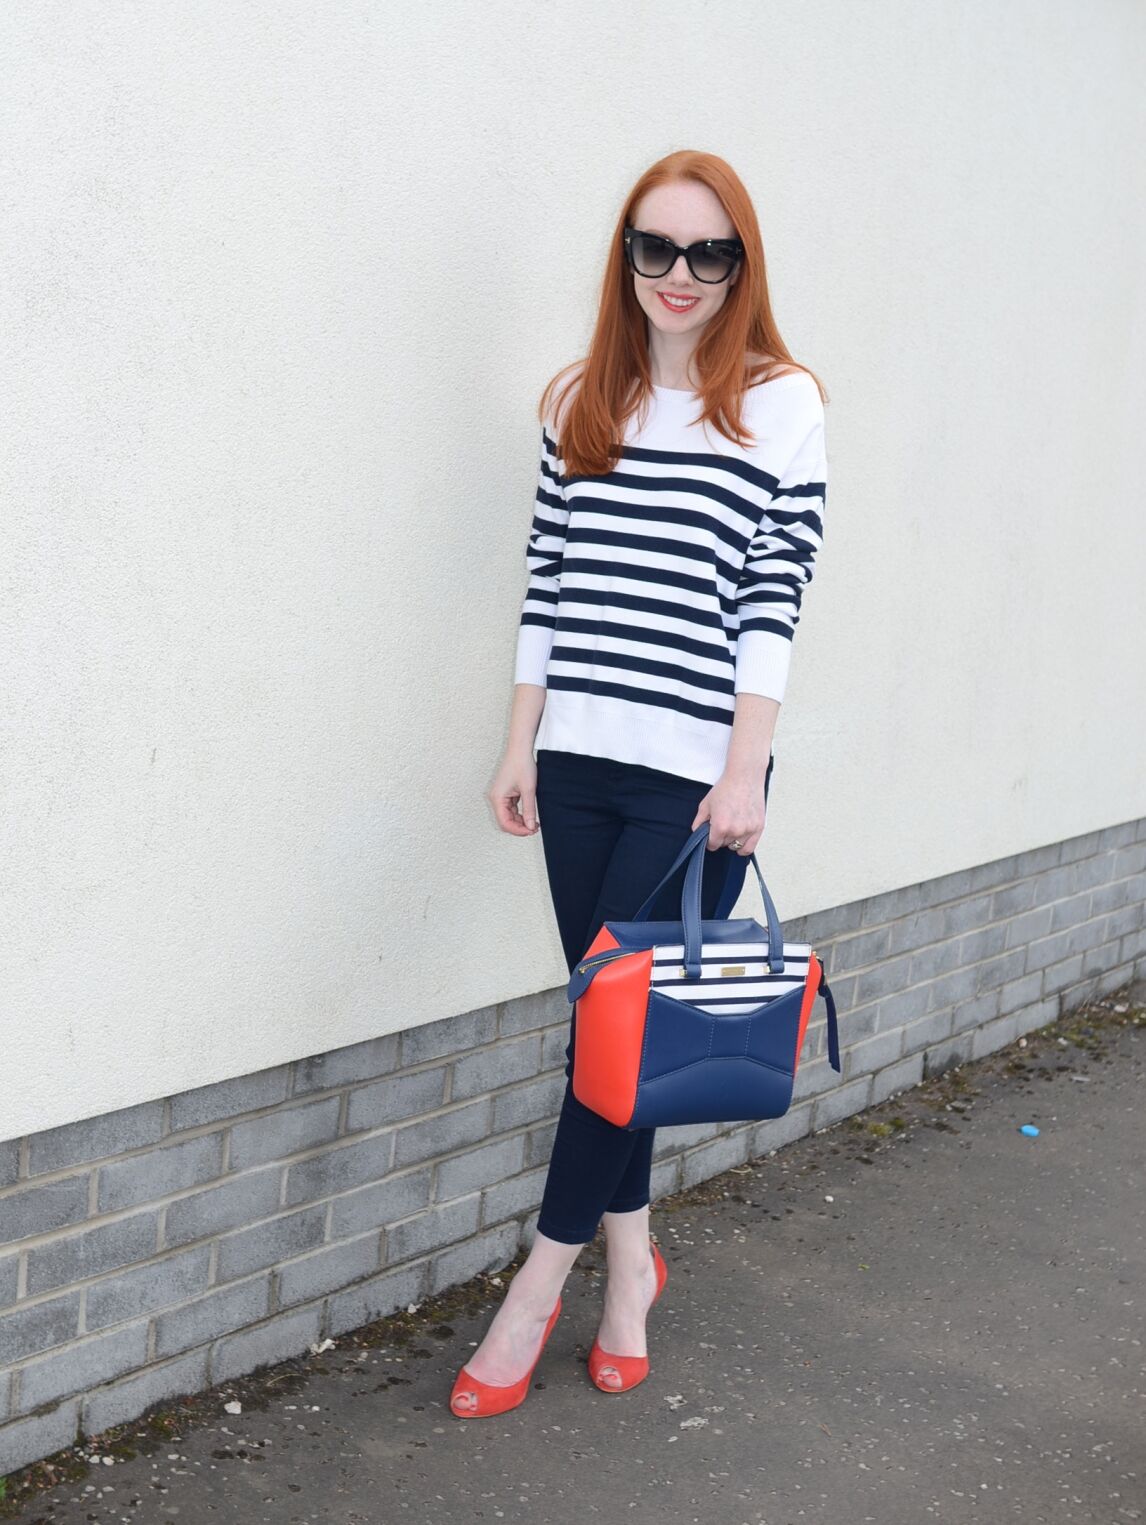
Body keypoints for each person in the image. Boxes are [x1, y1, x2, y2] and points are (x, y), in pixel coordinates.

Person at [451, 149, 829, 1418]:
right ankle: (631, 1271)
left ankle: (534, 1291)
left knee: (609, 1041)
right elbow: (549, 583)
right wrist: (520, 743)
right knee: (614, 1041)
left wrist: (744, 769)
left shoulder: (780, 404)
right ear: (626, 257)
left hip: (691, 784)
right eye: (656, 248)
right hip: (576, 762)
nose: (681, 274)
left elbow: (773, 597)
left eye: (709, 252)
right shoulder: (581, 400)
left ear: (742, 265)